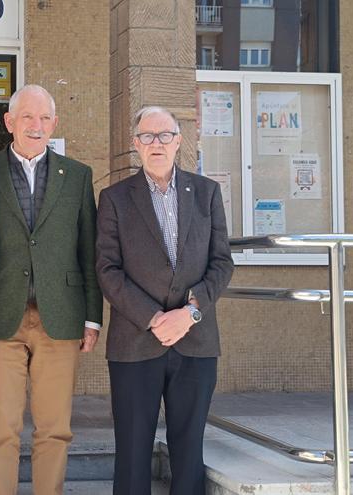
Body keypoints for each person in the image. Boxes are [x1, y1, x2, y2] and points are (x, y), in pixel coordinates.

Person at [0, 84, 103, 495]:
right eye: (27, 117)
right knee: (1, 429)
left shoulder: (77, 175)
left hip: (59, 316)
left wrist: (92, 317)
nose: (36, 125)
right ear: (9, 122)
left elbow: (89, 249)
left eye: (45, 118)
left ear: (55, 124)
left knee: (54, 429)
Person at [95, 106, 234, 495]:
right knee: (133, 453)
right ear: (135, 144)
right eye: (147, 136)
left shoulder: (206, 193)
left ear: (178, 141)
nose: (156, 143)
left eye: (164, 135)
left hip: (196, 341)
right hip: (135, 342)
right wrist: (155, 318)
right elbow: (107, 270)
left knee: (189, 451)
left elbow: (222, 263)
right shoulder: (115, 198)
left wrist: (190, 313)